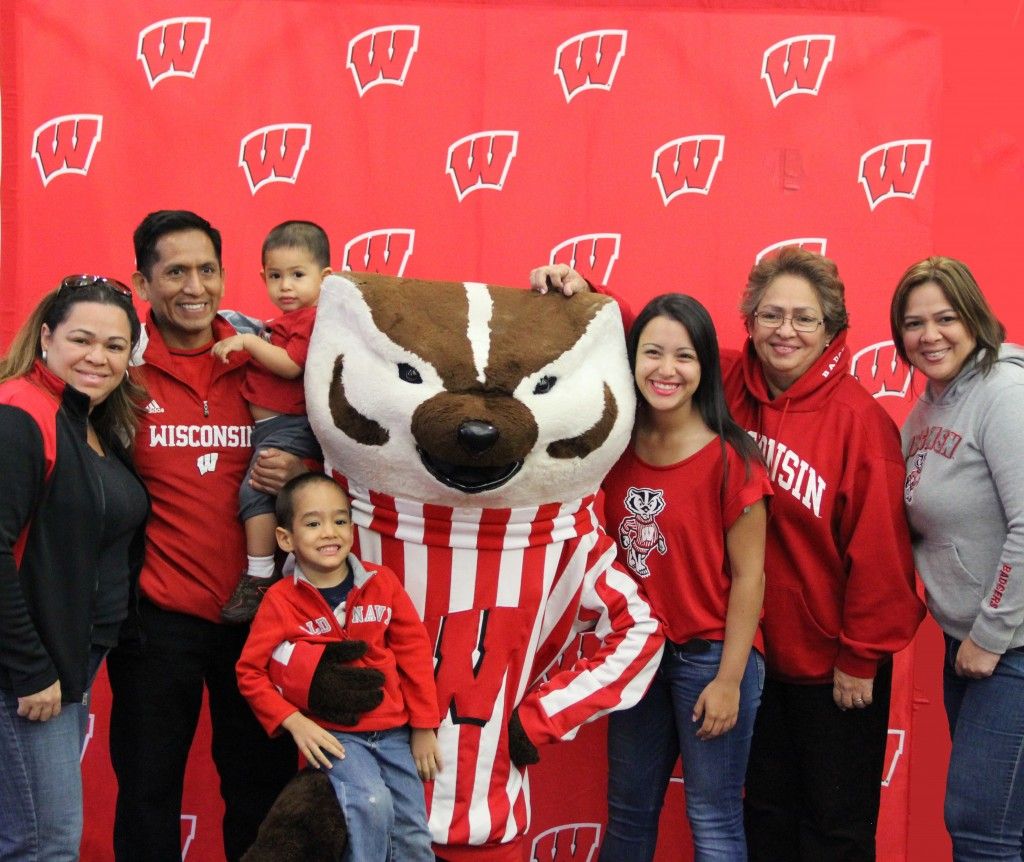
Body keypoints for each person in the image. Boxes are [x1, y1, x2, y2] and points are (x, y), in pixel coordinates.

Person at [532, 247, 925, 861]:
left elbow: (881, 554)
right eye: (771, 315)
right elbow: (659, 350)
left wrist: (860, 653)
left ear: (832, 328)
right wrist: (588, 289)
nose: (785, 331)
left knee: (835, 825)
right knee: (764, 817)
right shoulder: (732, 386)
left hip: (829, 664)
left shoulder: (861, 424)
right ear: (749, 321)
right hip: (749, 650)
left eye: (804, 317)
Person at [104, 210, 307, 862]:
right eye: (175, 271)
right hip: (157, 624)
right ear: (141, 281)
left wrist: (304, 471)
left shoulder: (263, 350)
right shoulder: (116, 371)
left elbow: (353, 450)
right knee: (147, 793)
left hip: (261, 621)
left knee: (262, 795)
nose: (195, 286)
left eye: (207, 269)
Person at [597, 294, 770, 861]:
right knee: (627, 812)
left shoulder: (731, 458)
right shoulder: (611, 450)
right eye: (652, 353)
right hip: (636, 656)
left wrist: (729, 680)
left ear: (705, 370)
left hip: (710, 656)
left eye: (684, 356)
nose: (666, 370)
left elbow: (750, 579)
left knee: (713, 817)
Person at [0, 275, 148, 860]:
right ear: (45, 337)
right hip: (26, 674)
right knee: (45, 843)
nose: (98, 357)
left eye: (115, 346)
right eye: (82, 339)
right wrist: (30, 669)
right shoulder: (20, 413)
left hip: (69, 663)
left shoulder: (84, 418)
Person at [890, 256, 1024, 860]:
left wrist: (992, 634)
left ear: (974, 317)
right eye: (914, 323)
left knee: (980, 825)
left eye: (945, 318)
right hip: (965, 643)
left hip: (1009, 647)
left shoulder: (1004, 394)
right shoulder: (926, 410)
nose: (930, 335)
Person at [237, 472, 440, 861]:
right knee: (370, 803)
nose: (329, 532)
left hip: (395, 733)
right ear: (285, 539)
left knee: (412, 831)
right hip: (336, 737)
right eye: (313, 523)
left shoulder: (383, 582)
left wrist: (424, 725)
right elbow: (250, 672)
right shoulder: (280, 601)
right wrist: (294, 722)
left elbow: (414, 652)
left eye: (340, 520)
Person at [215, 220, 332, 624]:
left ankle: (259, 577)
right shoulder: (284, 321)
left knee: (254, 495)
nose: (286, 286)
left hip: (289, 428)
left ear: (325, 278)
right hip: (271, 428)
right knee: (259, 496)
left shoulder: (312, 318)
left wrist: (248, 342)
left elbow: (290, 365)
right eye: (276, 276)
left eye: (298, 275)